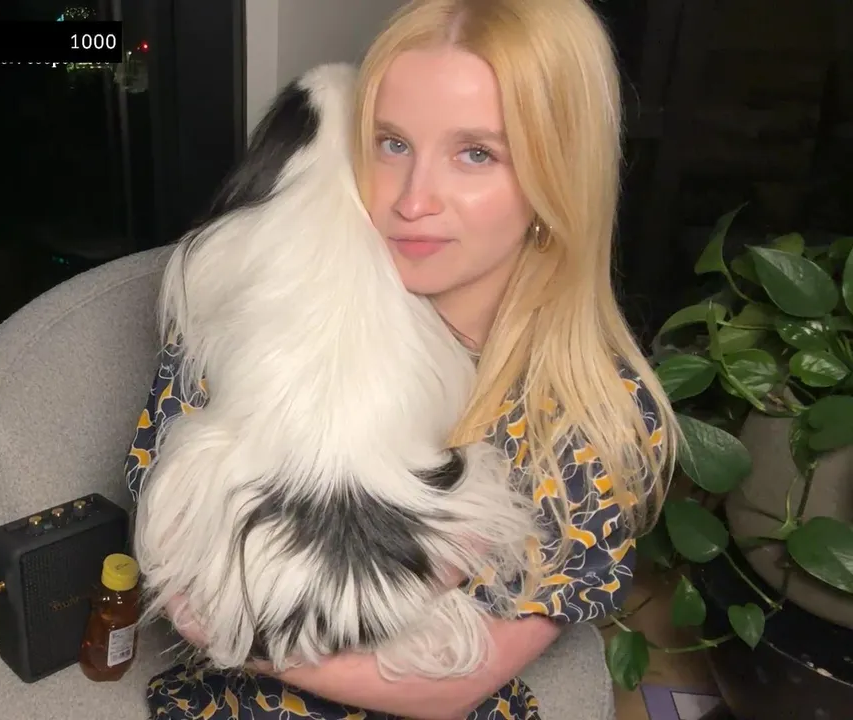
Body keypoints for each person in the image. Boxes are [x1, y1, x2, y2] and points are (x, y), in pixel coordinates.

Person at [124, 0, 679, 718]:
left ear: (557, 179)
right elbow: (163, 550)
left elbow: (450, 690)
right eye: (391, 143)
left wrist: (233, 625)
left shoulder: (590, 415)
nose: (413, 201)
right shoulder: (257, 306)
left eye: (476, 154)